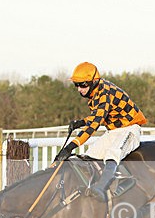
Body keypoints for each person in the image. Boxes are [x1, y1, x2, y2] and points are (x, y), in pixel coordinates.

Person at [54, 62, 148, 199]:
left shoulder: (104, 93)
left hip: (130, 128)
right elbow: (97, 116)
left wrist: (71, 146)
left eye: (83, 85)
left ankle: (108, 185)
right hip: (114, 130)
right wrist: (80, 122)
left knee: (112, 153)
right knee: (89, 155)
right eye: (76, 85)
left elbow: (94, 125)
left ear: (94, 81)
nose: (79, 89)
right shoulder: (95, 93)